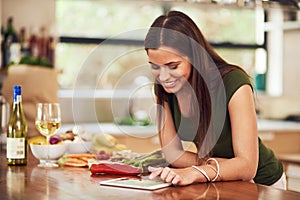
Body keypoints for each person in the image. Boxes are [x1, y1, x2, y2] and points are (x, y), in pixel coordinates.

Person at [144, 10, 286, 190]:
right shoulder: (164, 90)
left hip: (263, 184)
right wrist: (212, 165)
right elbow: (172, 153)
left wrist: (197, 171)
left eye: (173, 66)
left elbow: (247, 167)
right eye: (155, 67)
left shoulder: (233, 82)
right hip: (221, 182)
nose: (163, 77)